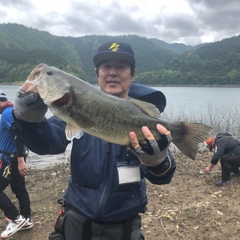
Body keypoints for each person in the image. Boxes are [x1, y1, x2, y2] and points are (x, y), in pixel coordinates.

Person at [12, 41, 176, 240]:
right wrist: (27, 119)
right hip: (77, 221)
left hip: (124, 226)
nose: (112, 72)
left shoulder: (143, 116)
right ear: (97, 73)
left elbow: (163, 176)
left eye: (121, 66)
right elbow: (47, 143)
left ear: (133, 74)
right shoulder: (75, 106)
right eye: (106, 66)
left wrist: (157, 161)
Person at [0, 90, 34, 238]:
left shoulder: (7, 113)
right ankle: (26, 219)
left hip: (11, 160)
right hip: (14, 158)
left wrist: (20, 161)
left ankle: (15, 218)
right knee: (19, 188)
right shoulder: (11, 111)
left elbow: (17, 135)